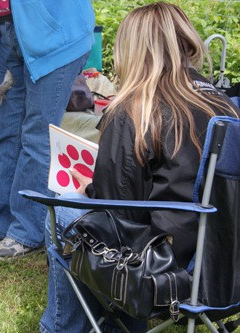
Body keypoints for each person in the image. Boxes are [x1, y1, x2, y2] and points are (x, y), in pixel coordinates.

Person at [41, 2, 239, 332]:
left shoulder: (136, 110)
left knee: (62, 211)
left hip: (165, 273)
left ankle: (62, 328)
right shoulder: (222, 104)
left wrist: (83, 188)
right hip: (224, 270)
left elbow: (117, 215)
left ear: (132, 50)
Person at [0, 0, 95, 258]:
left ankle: (27, 231)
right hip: (7, 35)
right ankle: (0, 221)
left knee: (36, 136)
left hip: (56, 39)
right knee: (5, 132)